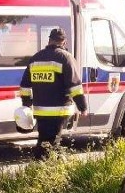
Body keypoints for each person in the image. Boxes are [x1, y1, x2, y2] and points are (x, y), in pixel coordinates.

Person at [19, 28, 88, 160]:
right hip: (59, 111)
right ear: (64, 42)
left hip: (40, 111)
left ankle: (41, 167)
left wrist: (27, 105)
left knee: (43, 140)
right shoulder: (65, 58)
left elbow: (25, 86)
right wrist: (82, 107)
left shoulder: (35, 58)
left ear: (49, 40)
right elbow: (75, 86)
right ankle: (47, 168)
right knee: (53, 143)